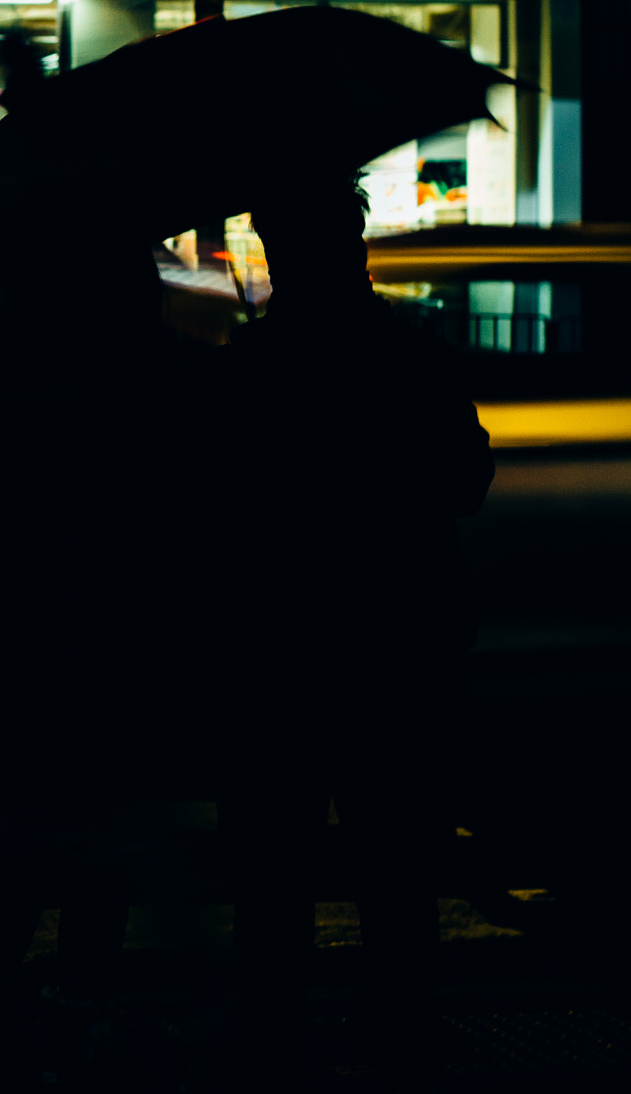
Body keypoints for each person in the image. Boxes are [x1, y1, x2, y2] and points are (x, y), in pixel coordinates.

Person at [214, 181, 493, 1085]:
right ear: (357, 246)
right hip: (398, 639)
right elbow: (465, 480)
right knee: (398, 864)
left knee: (272, 874)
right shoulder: (413, 354)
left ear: (277, 254)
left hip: (278, 651)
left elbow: (207, 514)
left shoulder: (247, 370)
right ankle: (400, 1035)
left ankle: (273, 1039)